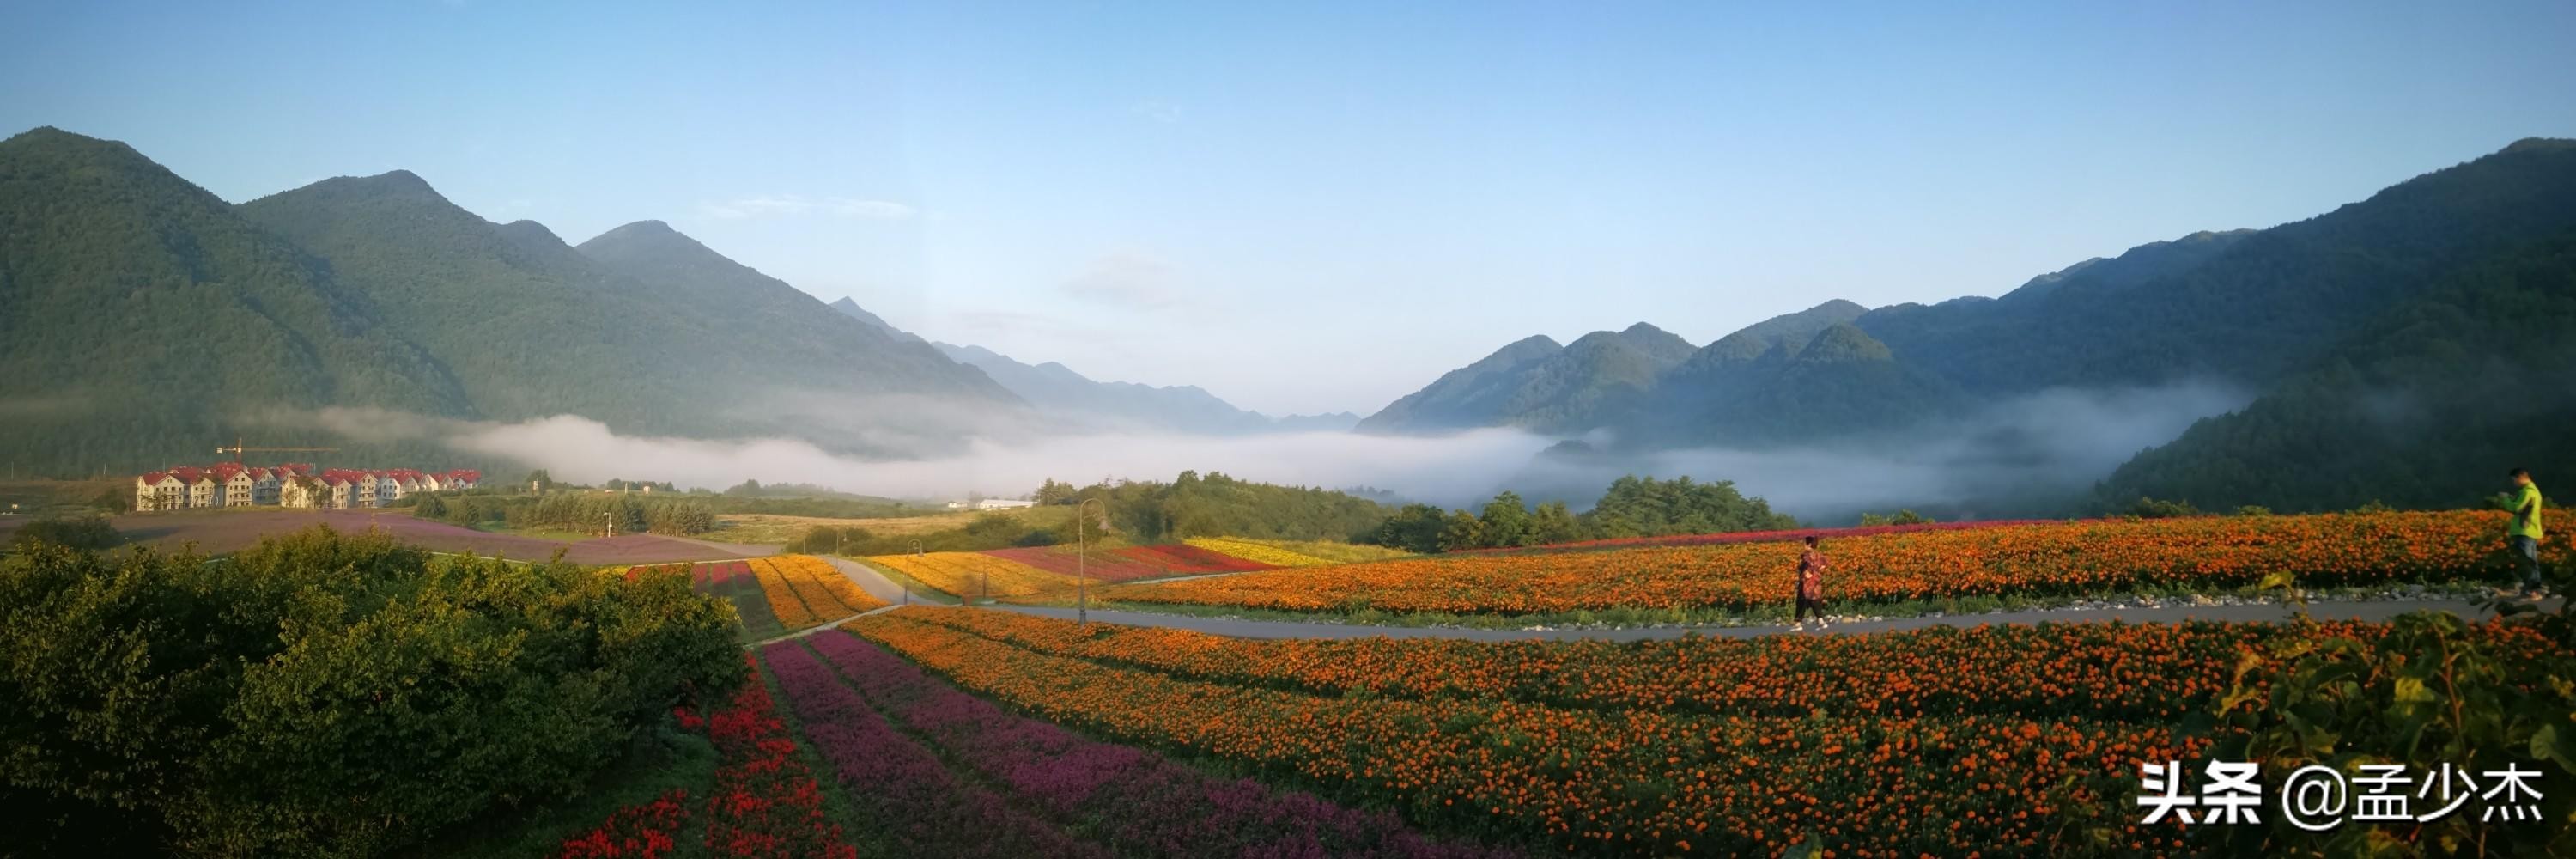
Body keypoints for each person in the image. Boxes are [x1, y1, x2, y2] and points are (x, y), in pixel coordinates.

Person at [2506, 467, 2545, 596]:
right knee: (2532, 562)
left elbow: (2517, 508)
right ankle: (2535, 588)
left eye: (2514, 480)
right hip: (2532, 530)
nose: (2514, 483)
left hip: (2524, 530)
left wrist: (2505, 499)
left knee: (2525, 561)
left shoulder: (2527, 492)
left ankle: (2530, 590)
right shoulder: (2535, 491)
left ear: (2521, 477)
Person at [1793, 535, 1828, 630]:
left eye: (1804, 544)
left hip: (1806, 582)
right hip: (1816, 582)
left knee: (1801, 601)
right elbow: (1824, 564)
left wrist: (1807, 573)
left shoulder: (1805, 556)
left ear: (1809, 544)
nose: (1803, 546)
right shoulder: (1819, 556)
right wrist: (1817, 571)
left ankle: (1798, 623)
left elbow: (1805, 567)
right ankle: (1820, 620)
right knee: (1815, 600)